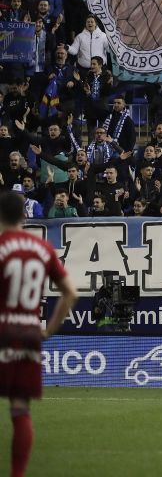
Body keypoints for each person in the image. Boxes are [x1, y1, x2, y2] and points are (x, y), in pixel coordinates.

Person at [0, 191, 78, 477]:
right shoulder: (42, 248)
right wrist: (49, 330)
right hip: (29, 331)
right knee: (20, 408)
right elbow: (70, 292)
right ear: (24, 214)